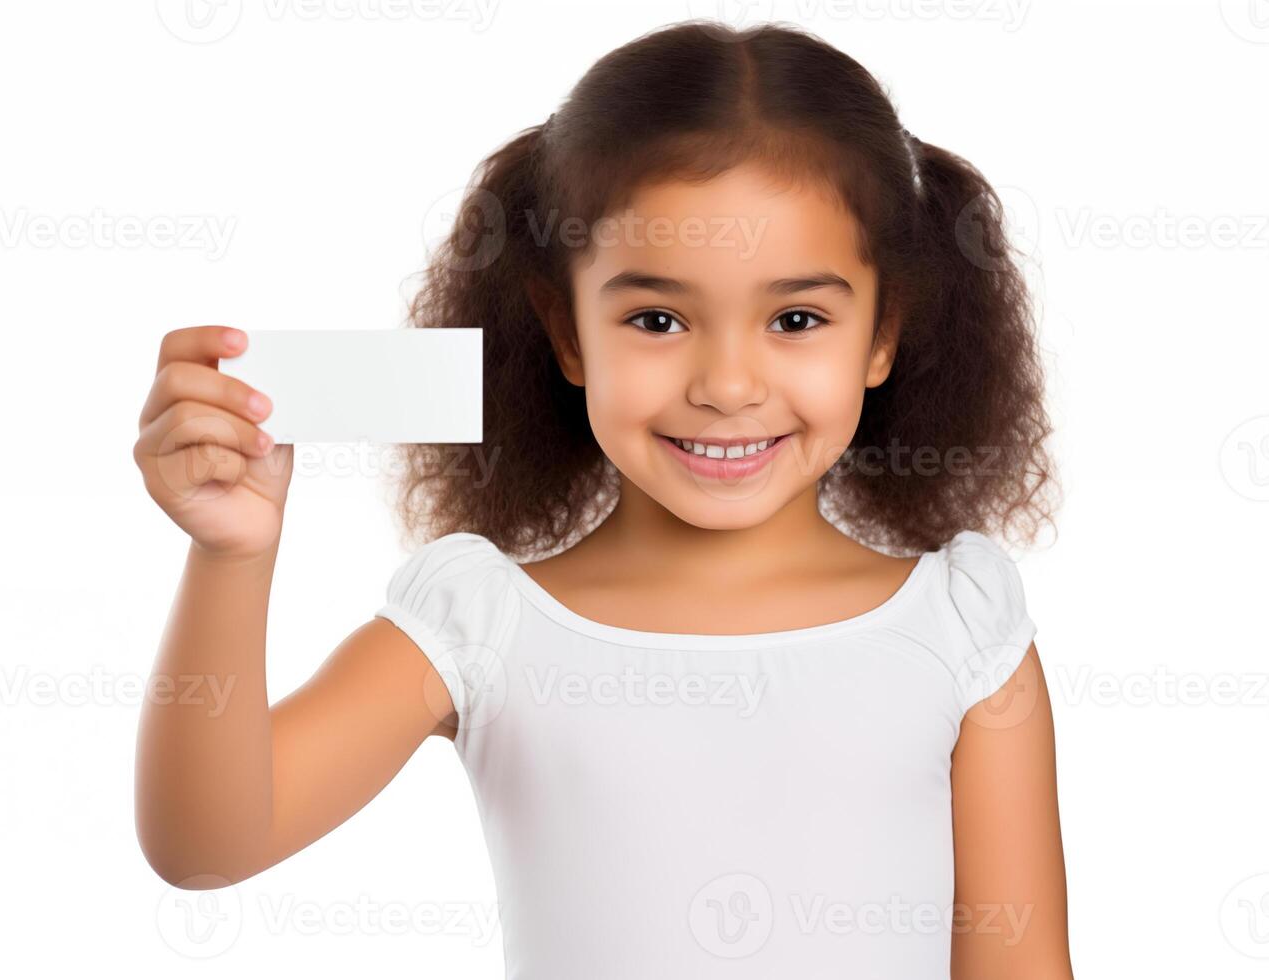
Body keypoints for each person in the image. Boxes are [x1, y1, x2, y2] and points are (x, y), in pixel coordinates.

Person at [133, 19, 1071, 978]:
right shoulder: (481, 621)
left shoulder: (963, 629)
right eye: (657, 319)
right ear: (567, 332)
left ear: (883, 334)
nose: (728, 383)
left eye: (796, 319)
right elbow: (206, 848)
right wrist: (230, 556)